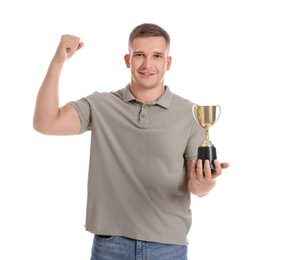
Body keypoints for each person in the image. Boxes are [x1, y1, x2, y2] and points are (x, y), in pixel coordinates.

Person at [33, 23, 229, 260]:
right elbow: (46, 123)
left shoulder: (191, 113)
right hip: (110, 246)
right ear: (127, 60)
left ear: (168, 62)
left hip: (168, 247)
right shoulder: (101, 105)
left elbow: (197, 188)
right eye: (139, 55)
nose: (148, 64)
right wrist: (58, 62)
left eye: (157, 56)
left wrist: (204, 182)